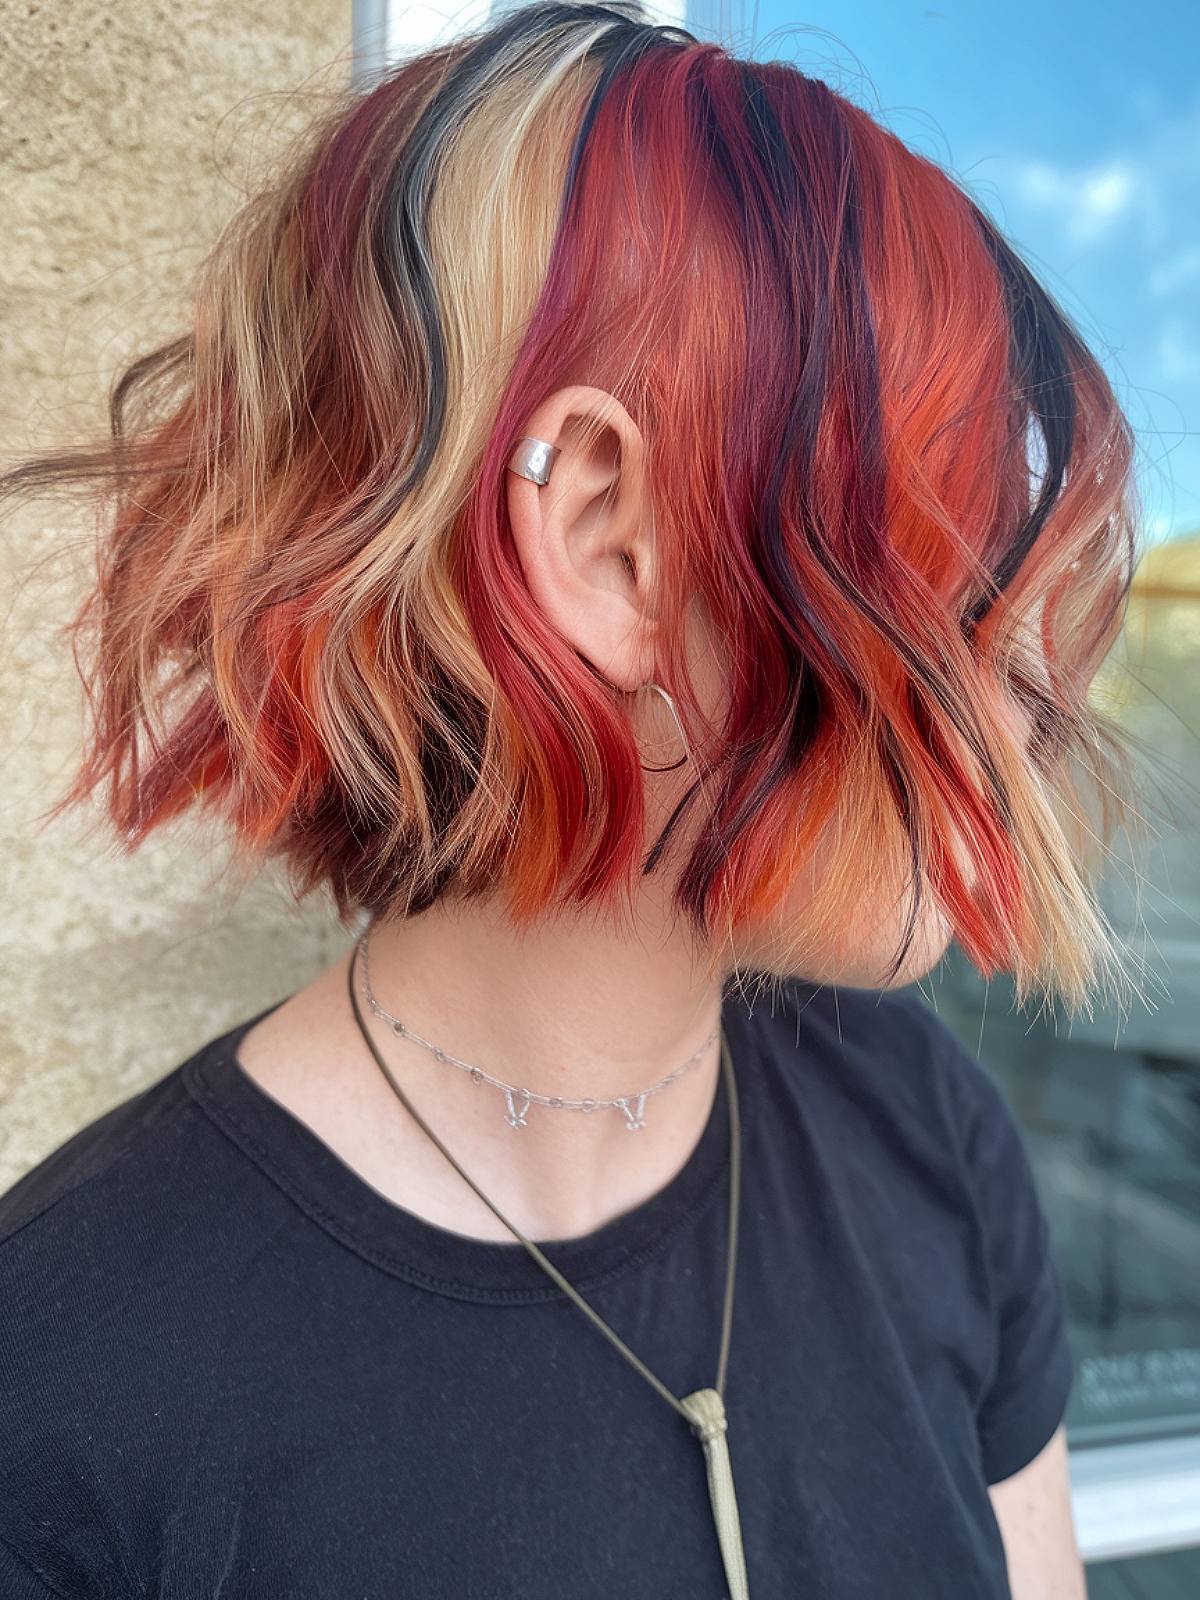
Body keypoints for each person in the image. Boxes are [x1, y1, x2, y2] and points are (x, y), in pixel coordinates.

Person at [0, 2, 1140, 1594]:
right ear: (608, 542)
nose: (1035, 693)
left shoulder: (926, 1134)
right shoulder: (62, 1389)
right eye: (962, 563)